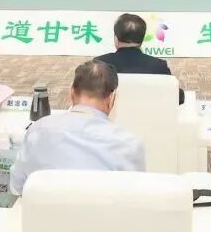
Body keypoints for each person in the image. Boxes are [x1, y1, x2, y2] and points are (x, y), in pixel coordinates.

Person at [10, 60, 145, 195]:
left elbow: (16, 187)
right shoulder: (128, 143)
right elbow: (135, 197)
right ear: (112, 98)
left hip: (45, 208)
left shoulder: (38, 130)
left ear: (72, 93)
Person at [94, 13, 185, 105]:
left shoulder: (98, 65)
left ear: (116, 39)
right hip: (149, 114)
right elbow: (179, 98)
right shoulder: (159, 66)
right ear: (142, 40)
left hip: (108, 114)